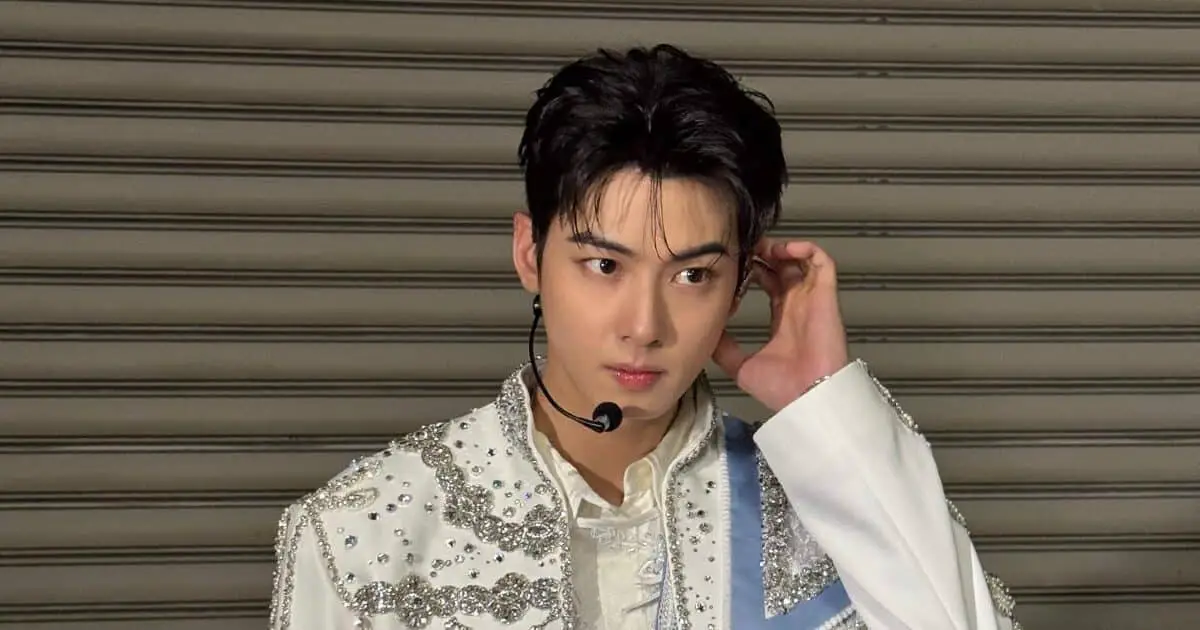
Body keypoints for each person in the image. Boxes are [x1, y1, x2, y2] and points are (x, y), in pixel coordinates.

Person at [268, 44, 1022, 630]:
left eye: (692, 275)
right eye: (604, 265)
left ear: (741, 283)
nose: (644, 326)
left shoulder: (825, 506)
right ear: (530, 254)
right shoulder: (364, 528)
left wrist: (825, 406)